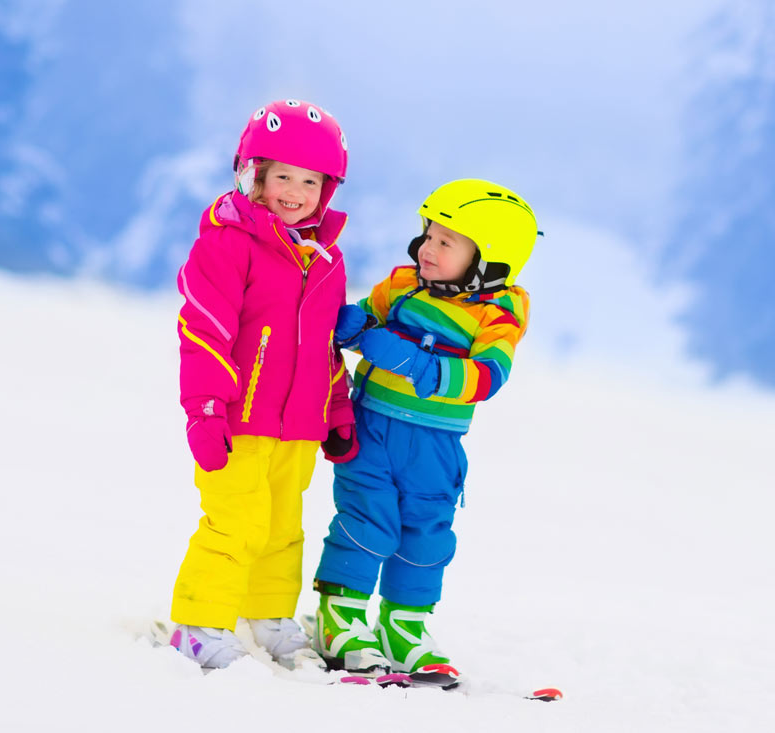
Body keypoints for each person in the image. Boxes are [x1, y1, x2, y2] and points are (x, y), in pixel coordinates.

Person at [309, 179, 538, 682]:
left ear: (488, 262)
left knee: (425, 532)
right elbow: (359, 321)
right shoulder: (401, 286)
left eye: (445, 242)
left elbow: (487, 377)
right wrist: (349, 325)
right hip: (372, 430)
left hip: (435, 448)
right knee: (367, 520)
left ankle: (403, 626)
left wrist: (418, 363)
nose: (426, 249)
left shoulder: (497, 315)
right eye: (428, 235)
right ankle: (340, 620)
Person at [168, 99, 362, 671]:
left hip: (297, 427)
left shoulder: (325, 258)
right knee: (235, 522)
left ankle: (269, 614)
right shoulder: (228, 243)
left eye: (310, 181)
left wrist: (336, 409)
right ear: (253, 174)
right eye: (282, 176)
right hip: (238, 418)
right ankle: (199, 624)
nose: (295, 192)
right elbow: (204, 328)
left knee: (282, 527)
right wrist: (204, 410)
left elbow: (323, 342)